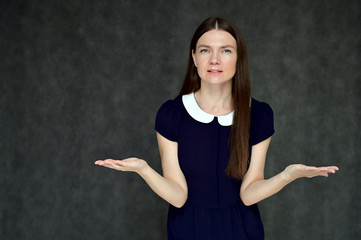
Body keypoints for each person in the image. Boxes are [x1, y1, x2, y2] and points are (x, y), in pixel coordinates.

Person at [95, 17, 338, 240]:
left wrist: (288, 175)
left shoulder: (260, 114)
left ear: (238, 57)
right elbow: (179, 197)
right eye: (205, 50)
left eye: (226, 51)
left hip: (243, 231)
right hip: (187, 230)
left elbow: (249, 193)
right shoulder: (172, 114)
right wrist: (144, 170)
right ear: (193, 57)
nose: (214, 60)